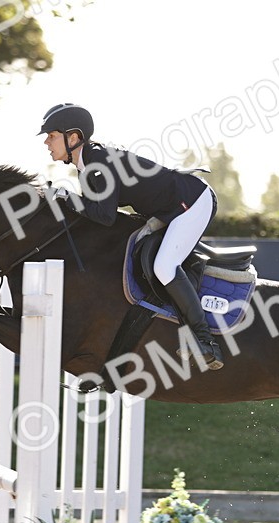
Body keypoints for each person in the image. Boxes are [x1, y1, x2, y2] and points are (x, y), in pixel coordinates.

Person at [38, 102, 224, 370]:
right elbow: (97, 212)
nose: (47, 142)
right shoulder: (88, 162)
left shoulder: (97, 164)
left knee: (163, 266)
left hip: (191, 202)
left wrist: (66, 198)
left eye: (52, 135)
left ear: (74, 137)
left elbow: (103, 216)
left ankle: (205, 341)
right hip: (170, 206)